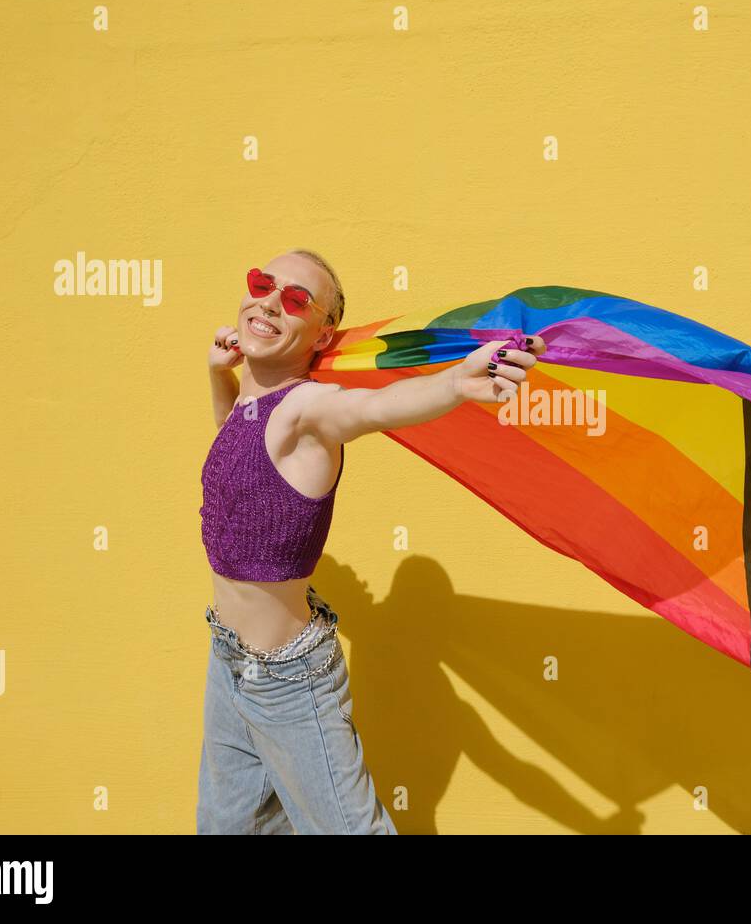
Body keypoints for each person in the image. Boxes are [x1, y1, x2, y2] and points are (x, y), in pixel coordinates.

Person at [196, 249, 545, 834]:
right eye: (262, 283)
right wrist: (218, 375)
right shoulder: (254, 407)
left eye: (297, 299)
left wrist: (455, 382)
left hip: (287, 682)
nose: (270, 301)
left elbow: (375, 406)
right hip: (228, 661)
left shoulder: (308, 410)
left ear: (322, 332)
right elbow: (237, 452)